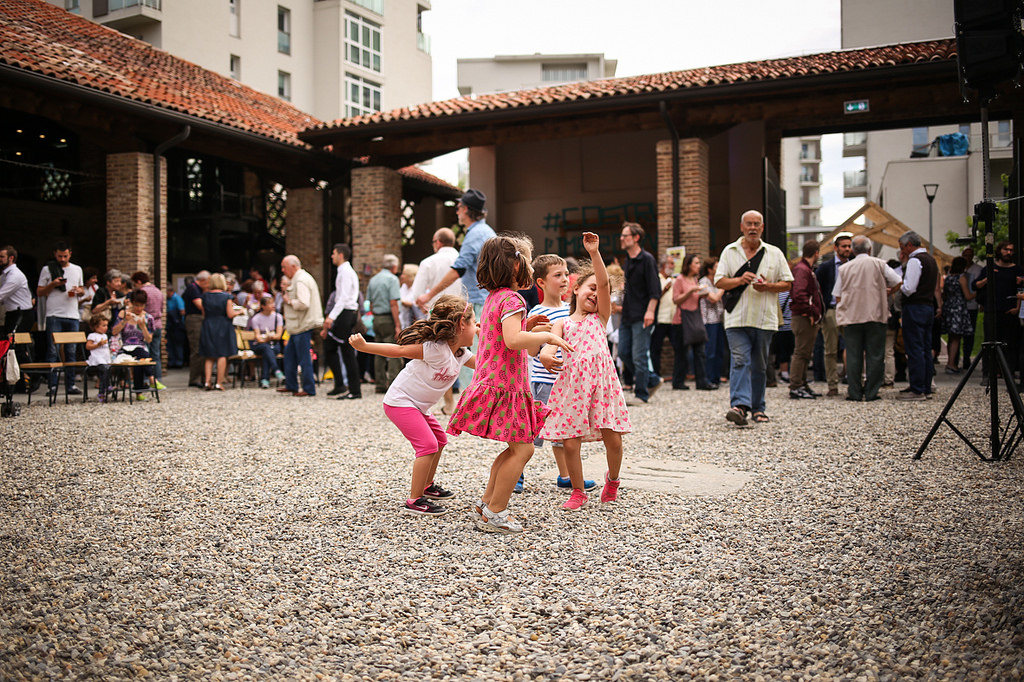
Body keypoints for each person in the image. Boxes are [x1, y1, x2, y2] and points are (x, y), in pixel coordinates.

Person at [445, 233, 573, 534]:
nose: (529, 264)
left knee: (516, 448)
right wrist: (548, 336)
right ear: (516, 265)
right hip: (506, 386)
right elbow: (514, 341)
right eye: (526, 259)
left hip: (496, 382)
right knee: (524, 450)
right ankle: (495, 511)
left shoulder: (495, 298)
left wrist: (528, 328)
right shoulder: (512, 298)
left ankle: (488, 503)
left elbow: (506, 337)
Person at [349, 295, 478, 515]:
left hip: (419, 406)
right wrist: (364, 346)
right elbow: (398, 351)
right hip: (401, 402)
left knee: (439, 440)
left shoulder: (460, 353)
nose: (477, 328)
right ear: (461, 325)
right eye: (475, 323)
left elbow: (487, 366)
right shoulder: (435, 349)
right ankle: (414, 500)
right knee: (427, 445)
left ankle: (427, 486)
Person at [540, 232, 632, 511]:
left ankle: (612, 479)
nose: (594, 292)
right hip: (572, 386)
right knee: (570, 442)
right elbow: (549, 346)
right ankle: (578, 491)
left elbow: (604, 283)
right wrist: (545, 356)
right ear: (575, 288)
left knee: (613, 439)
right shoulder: (563, 323)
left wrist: (594, 253)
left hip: (602, 385)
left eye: (597, 290)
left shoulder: (599, 318)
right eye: (588, 288)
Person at [524, 253, 596, 494]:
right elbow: (533, 351)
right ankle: (515, 472)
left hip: (568, 383)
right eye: (558, 275)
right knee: (532, 431)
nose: (565, 279)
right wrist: (539, 334)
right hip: (545, 382)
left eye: (566, 274)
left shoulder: (572, 310)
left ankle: (565, 475)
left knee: (564, 432)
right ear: (541, 283)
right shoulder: (537, 313)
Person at [714, 210, 793, 425]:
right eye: (748, 223)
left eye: (756, 224)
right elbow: (719, 281)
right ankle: (739, 406)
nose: (752, 227)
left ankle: (758, 408)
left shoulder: (774, 253)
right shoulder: (729, 251)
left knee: (759, 365)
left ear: (762, 227)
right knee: (740, 361)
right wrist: (739, 280)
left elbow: (787, 283)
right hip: (736, 319)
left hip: (763, 318)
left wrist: (768, 286)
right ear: (741, 227)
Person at [414, 189, 495, 387]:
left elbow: (458, 269)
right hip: (487, 300)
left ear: (466, 209)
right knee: (485, 353)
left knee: (469, 356)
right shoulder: (488, 232)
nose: (457, 211)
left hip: (478, 302)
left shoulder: (475, 234)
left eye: (458, 207)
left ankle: (470, 407)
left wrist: (428, 295)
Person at [834, 236, 902, 402]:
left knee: (853, 355)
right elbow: (898, 281)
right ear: (870, 249)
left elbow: (837, 295)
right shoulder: (879, 264)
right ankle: (872, 391)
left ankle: (855, 392)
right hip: (875, 314)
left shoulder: (845, 268)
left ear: (853, 250)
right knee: (876, 355)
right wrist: (888, 292)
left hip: (852, 316)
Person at [618, 222, 663, 404]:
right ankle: (652, 379)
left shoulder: (647, 260)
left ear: (636, 238)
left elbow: (655, 290)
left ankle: (642, 394)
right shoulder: (628, 261)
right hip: (627, 314)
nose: (621, 239)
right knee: (623, 352)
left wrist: (650, 312)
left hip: (643, 314)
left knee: (639, 355)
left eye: (625, 235)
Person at [37, 241, 85, 397]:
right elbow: (40, 292)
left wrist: (79, 291)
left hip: (72, 314)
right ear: (54, 254)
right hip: (54, 314)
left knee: (71, 351)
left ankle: (70, 384)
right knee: (52, 350)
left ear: (70, 254)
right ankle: (52, 386)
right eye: (60, 256)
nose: (62, 259)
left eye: (65, 256)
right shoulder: (47, 269)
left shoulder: (77, 269)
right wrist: (53, 284)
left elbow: (82, 289)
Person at [896, 231, 939, 400]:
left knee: (914, 348)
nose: (902, 252)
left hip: (915, 307)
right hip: (928, 306)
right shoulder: (931, 259)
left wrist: (898, 286)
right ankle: (926, 386)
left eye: (902, 248)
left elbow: (909, 288)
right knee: (925, 348)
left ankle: (917, 388)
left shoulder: (915, 261)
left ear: (909, 245)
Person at [974, 240, 1023, 383]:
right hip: (992, 311)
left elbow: (1021, 290)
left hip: (1010, 312)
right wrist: (988, 279)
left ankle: (1009, 374)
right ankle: (988, 374)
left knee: (1011, 345)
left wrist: (1017, 307)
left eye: (1011, 250)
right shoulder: (991, 268)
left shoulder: (1017, 270)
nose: (1009, 253)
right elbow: (976, 285)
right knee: (989, 344)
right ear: (999, 251)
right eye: (1006, 250)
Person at [321, 244, 361, 399]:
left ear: (340, 255)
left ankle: (354, 390)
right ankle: (339, 384)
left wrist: (331, 317)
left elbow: (343, 298)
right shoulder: (344, 271)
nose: (331, 256)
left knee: (347, 351)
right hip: (346, 312)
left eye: (333, 253)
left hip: (345, 313)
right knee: (330, 346)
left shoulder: (345, 272)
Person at [281, 254, 324, 397]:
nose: (282, 270)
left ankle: (309, 388)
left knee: (304, 358)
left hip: (302, 325)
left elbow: (303, 303)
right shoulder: (301, 278)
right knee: (290, 356)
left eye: (284, 267)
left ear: (293, 266)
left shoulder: (301, 280)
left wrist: (289, 301)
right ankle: (291, 385)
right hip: (297, 326)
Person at [816, 231, 852, 397]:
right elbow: (818, 289)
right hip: (830, 311)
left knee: (852, 348)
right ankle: (832, 385)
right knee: (830, 350)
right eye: (844, 246)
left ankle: (853, 383)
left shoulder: (853, 266)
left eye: (849, 246)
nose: (847, 249)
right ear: (836, 248)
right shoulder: (825, 267)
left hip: (850, 311)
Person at [788, 240, 824, 400]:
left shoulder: (804, 269)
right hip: (803, 317)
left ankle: (801, 384)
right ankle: (796, 386)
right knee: (801, 353)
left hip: (805, 316)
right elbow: (799, 293)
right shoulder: (802, 270)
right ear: (816, 253)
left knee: (805, 353)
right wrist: (810, 312)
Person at [671, 253, 710, 391]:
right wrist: (691, 291)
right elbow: (676, 299)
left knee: (700, 352)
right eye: (696, 263)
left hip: (695, 318)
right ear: (688, 265)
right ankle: (678, 381)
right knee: (681, 353)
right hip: (681, 320)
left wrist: (701, 295)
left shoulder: (695, 279)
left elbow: (695, 298)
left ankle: (702, 381)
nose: (699, 266)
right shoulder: (679, 280)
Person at [112, 289, 159, 400]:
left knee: (141, 355)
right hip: (124, 347)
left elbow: (149, 340)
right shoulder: (124, 314)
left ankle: (139, 391)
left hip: (140, 346)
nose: (139, 308)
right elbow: (114, 332)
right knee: (143, 356)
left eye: (142, 305)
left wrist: (143, 327)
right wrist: (124, 321)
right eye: (136, 305)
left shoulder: (148, 318)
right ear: (131, 303)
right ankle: (151, 379)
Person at [366, 253, 403, 393]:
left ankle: (380, 384)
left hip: (376, 318)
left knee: (378, 351)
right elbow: (393, 303)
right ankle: (393, 383)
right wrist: (398, 325)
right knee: (393, 350)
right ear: (394, 266)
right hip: (388, 318)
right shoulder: (392, 279)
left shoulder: (373, 280)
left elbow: (370, 304)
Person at [198, 272, 239, 391]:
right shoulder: (226, 297)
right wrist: (239, 312)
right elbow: (230, 314)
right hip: (222, 325)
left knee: (209, 355)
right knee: (222, 354)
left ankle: (207, 381)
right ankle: (219, 382)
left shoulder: (205, 296)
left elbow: (204, 313)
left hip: (208, 324)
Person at [411, 227, 462, 310]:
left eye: (433, 242)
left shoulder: (428, 262)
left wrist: (423, 306)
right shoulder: (464, 261)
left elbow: (417, 293)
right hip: (461, 311)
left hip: (437, 311)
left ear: (438, 242)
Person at [131, 271, 165, 385]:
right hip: (158, 323)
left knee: (145, 353)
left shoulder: (143, 292)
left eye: (135, 284)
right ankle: (158, 378)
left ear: (139, 282)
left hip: (146, 324)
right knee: (156, 353)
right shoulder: (158, 291)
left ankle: (146, 379)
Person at [942, 256, 975, 374]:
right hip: (959, 308)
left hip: (949, 307)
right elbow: (967, 296)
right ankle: (951, 363)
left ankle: (950, 362)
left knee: (951, 337)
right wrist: (978, 292)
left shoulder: (948, 278)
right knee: (956, 337)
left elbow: (944, 294)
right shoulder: (962, 278)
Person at [247, 294, 285, 388]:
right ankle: (276, 370)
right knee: (266, 348)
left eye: (273, 303)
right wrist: (265, 339)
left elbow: (279, 335)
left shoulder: (278, 317)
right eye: (269, 303)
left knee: (267, 351)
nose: (273, 305)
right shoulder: (256, 319)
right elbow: (258, 337)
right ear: (263, 306)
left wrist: (270, 338)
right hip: (260, 344)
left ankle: (265, 379)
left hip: (273, 343)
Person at [698, 257, 725, 388]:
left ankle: (716, 377)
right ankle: (708, 378)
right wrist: (724, 287)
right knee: (710, 351)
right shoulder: (703, 283)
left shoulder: (717, 282)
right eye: (716, 267)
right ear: (710, 269)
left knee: (720, 350)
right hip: (709, 320)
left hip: (720, 319)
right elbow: (713, 298)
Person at [650, 255, 676, 377]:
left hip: (672, 320)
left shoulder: (674, 280)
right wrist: (664, 290)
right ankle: (656, 374)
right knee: (656, 348)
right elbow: (654, 298)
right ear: (664, 265)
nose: (673, 266)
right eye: (671, 263)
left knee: (678, 347)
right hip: (660, 319)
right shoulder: (656, 279)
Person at [0, 245, 33, 340]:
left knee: (16, 345)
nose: (0, 259)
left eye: (2, 257)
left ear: (11, 258)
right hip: (12, 314)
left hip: (21, 314)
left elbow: (1, 295)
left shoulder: (15, 275)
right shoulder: (5, 275)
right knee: (8, 344)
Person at [184, 270, 210, 388]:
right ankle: (195, 378)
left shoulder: (199, 289)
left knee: (203, 348)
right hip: (194, 320)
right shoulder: (193, 288)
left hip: (201, 319)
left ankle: (204, 377)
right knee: (196, 348)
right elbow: (200, 305)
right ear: (203, 280)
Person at [960, 246, 984, 368]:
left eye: (970, 255)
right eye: (965, 255)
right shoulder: (958, 270)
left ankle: (966, 356)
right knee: (957, 333)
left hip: (972, 305)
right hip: (959, 306)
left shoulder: (978, 270)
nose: (967, 258)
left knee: (970, 333)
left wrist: (979, 300)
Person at [85, 315, 112, 402]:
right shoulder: (92, 335)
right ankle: (102, 390)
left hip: (105, 358)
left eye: (106, 325)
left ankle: (106, 387)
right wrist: (97, 345)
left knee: (108, 369)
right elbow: (88, 346)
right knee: (104, 370)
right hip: (97, 359)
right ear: (95, 327)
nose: (106, 328)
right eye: (103, 325)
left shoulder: (105, 336)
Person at [165, 284, 186, 369]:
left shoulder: (177, 298)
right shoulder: (168, 299)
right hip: (170, 325)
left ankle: (179, 362)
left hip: (177, 325)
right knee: (170, 344)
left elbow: (182, 311)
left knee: (178, 344)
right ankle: (172, 361)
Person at [398, 263, 424, 330]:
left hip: (414, 326)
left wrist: (403, 302)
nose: (401, 276)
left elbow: (418, 304)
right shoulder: (403, 287)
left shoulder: (418, 288)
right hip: (403, 323)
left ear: (410, 276)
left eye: (404, 274)